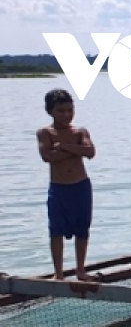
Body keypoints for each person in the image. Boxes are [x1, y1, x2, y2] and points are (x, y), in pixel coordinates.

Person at [37, 88, 96, 281]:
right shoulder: (45, 132)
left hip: (80, 186)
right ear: (50, 111)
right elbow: (47, 156)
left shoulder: (79, 131)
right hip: (59, 187)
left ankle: (80, 270)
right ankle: (59, 273)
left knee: (82, 228)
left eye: (70, 110)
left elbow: (90, 151)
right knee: (56, 230)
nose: (66, 115)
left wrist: (63, 147)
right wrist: (76, 151)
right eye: (61, 111)